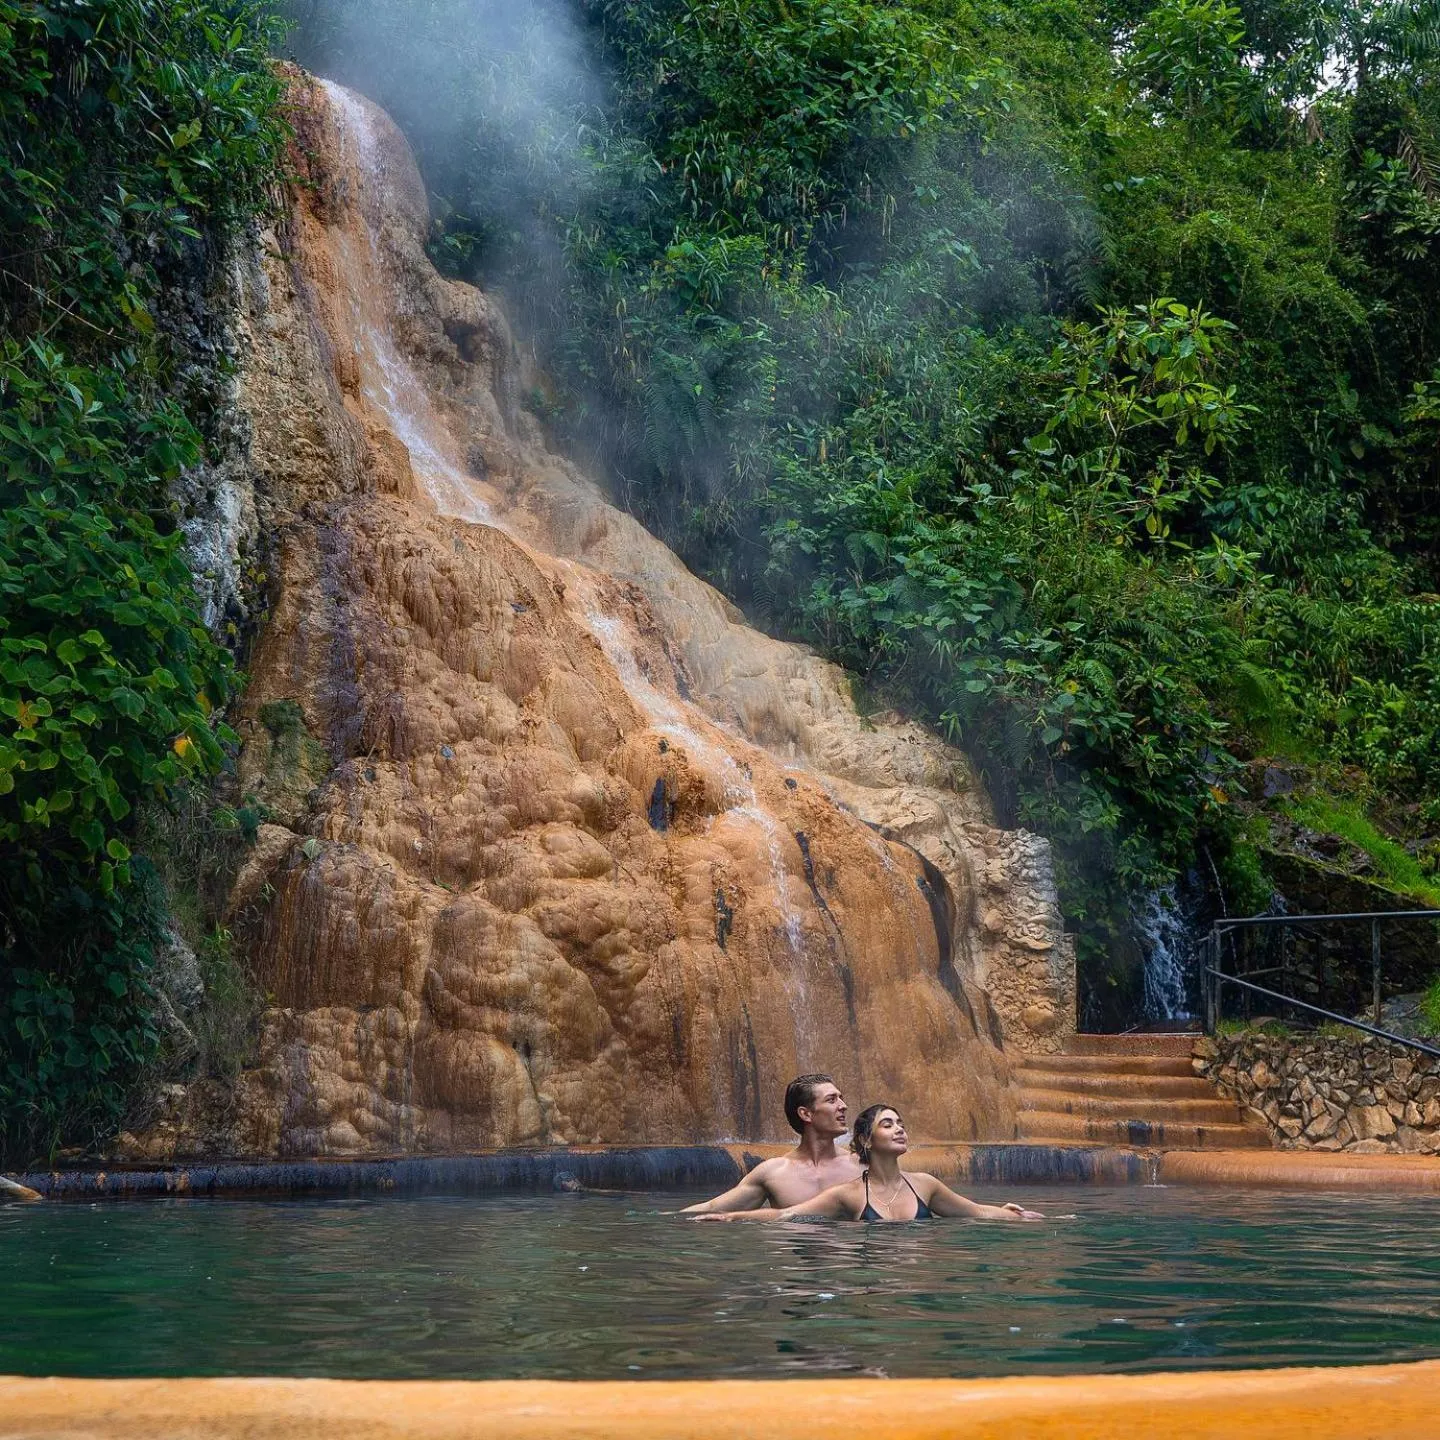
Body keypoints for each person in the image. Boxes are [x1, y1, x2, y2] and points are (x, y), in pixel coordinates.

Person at [696, 1102, 1044, 1223]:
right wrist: (731, 1216)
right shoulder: (847, 1195)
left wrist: (1014, 1214)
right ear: (866, 1140)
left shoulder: (925, 1184)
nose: (899, 1129)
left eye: (901, 1123)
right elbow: (787, 1215)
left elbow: (977, 1213)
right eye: (887, 1124)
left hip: (916, 1293)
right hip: (869, 1288)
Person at [682, 1073, 862, 1212]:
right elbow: (713, 1208)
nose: (843, 1105)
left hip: (848, 1260)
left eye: (841, 1098)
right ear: (805, 1114)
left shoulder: (862, 1167)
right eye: (832, 1100)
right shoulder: (774, 1173)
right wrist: (658, 1219)